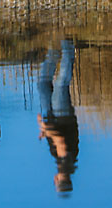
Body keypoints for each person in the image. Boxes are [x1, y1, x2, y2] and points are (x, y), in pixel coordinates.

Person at [36, 39, 79, 194]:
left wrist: (46, 130)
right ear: (61, 180)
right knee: (61, 84)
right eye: (56, 183)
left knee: (43, 84)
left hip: (51, 117)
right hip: (62, 117)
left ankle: (53, 49)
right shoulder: (66, 163)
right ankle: (68, 46)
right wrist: (46, 130)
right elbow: (60, 140)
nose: (54, 180)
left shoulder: (65, 164)